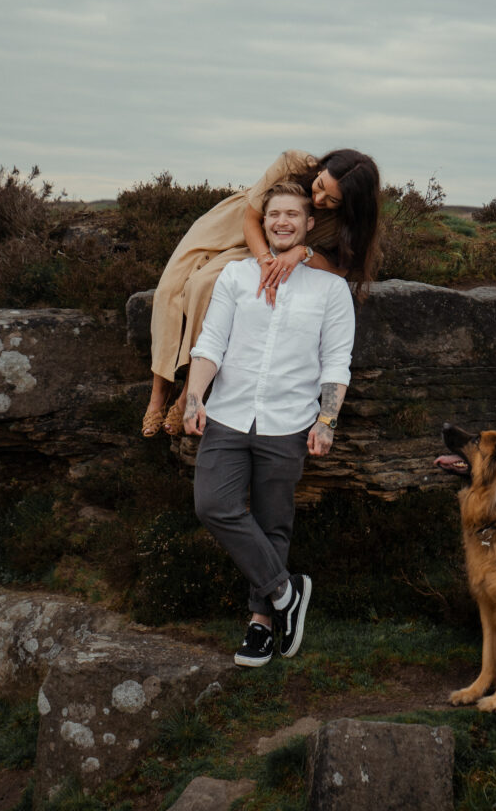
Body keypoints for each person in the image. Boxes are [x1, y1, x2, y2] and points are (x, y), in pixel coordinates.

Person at [183, 181, 356, 665]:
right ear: (264, 222)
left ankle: (260, 626)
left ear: (308, 225)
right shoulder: (237, 276)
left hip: (287, 423)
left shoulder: (331, 289)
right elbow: (211, 342)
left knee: (272, 522)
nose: (281, 221)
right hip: (227, 416)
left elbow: (336, 361)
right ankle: (286, 592)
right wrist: (195, 397)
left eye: (292, 215)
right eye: (274, 214)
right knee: (212, 505)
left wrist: (326, 421)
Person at [142, 148, 379, 437]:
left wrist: (302, 252)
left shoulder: (350, 221)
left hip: (282, 237)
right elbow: (251, 219)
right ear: (320, 169)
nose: (319, 200)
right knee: (169, 289)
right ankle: (158, 393)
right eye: (319, 188)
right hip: (244, 225)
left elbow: (342, 267)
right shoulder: (292, 163)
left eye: (332, 201)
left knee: (202, 287)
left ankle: (185, 398)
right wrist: (266, 260)